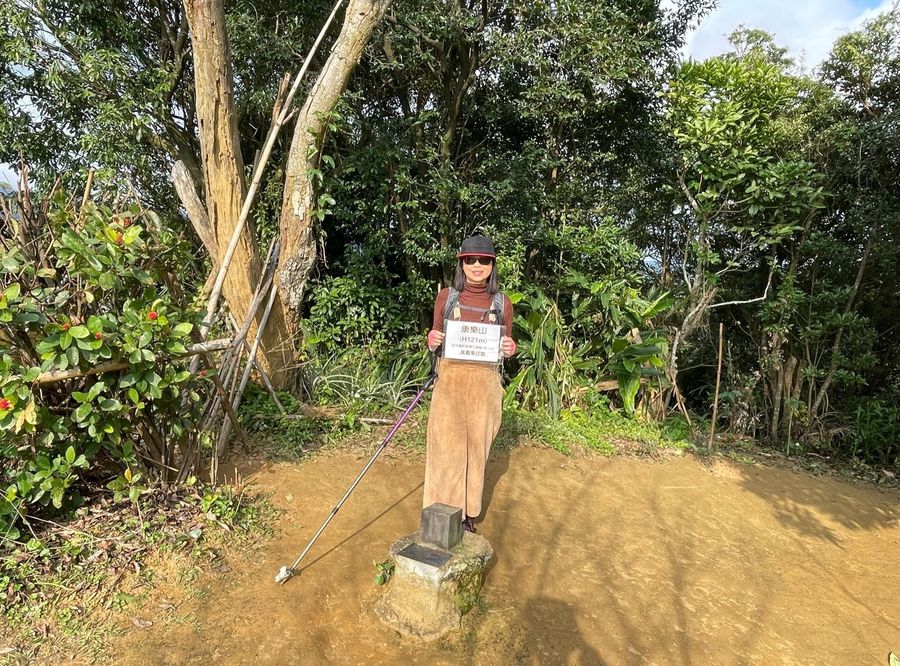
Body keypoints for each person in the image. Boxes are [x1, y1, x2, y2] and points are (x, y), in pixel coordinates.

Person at [424, 234, 516, 533]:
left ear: (492, 265)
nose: (477, 265)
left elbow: (506, 344)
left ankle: (466, 515)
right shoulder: (446, 297)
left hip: (484, 387)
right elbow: (435, 336)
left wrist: (509, 348)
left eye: (484, 260)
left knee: (477, 451)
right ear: (462, 264)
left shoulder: (502, 303)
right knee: (445, 448)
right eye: (471, 260)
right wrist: (432, 339)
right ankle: (439, 512)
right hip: (449, 383)